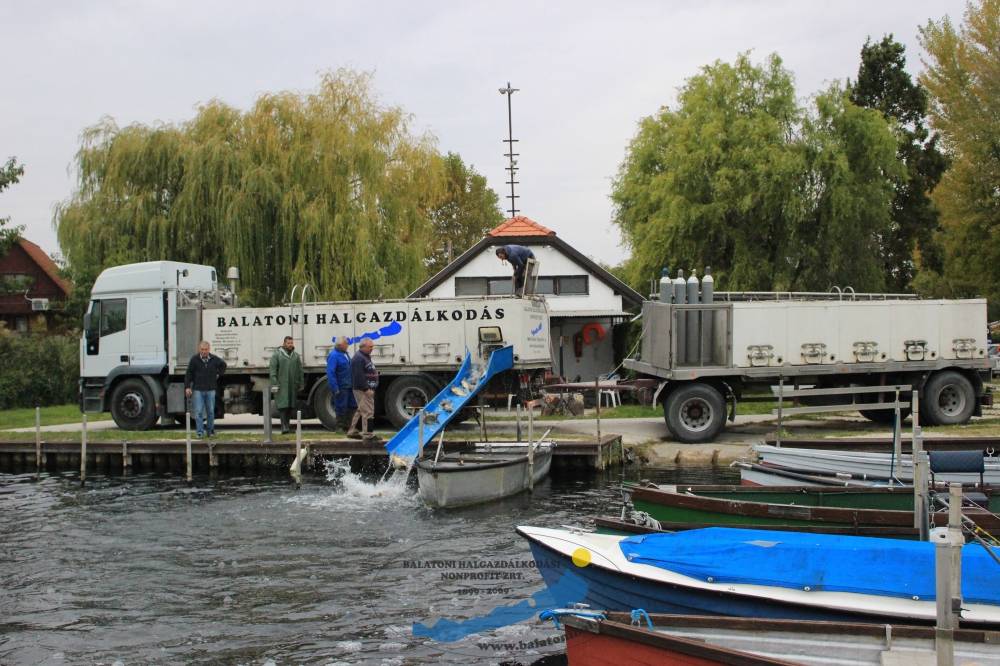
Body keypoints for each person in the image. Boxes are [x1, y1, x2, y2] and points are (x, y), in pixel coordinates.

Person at [184, 340, 227, 438]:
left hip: (211, 389)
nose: (204, 351)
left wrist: (218, 374)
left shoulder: (214, 359)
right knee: (198, 412)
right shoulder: (194, 360)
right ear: (199, 349)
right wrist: (187, 387)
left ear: (209, 349)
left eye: (206, 349)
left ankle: (210, 431)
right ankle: (200, 432)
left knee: (211, 412)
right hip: (198, 390)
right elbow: (188, 374)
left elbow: (223, 365)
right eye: (202, 349)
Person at [269, 335, 305, 434]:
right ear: (284, 343)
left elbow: (300, 371)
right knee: (282, 406)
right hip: (281, 385)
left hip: (292, 385)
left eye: (291, 343)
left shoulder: (296, 356)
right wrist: (275, 383)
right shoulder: (277, 355)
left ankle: (287, 426)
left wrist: (301, 383)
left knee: (290, 405)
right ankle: (283, 427)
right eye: (288, 343)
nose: (290, 345)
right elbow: (272, 370)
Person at [347, 338, 379, 441]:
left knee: (361, 410)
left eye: (372, 346)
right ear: (363, 347)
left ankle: (352, 431)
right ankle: (368, 434)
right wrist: (366, 389)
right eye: (370, 347)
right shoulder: (358, 358)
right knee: (368, 411)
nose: (372, 349)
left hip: (364, 389)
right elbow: (358, 376)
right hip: (363, 389)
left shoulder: (364, 356)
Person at [325, 337, 357, 431]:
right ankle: (339, 426)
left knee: (352, 405)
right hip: (341, 386)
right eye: (346, 344)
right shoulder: (334, 356)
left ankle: (349, 426)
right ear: (340, 345)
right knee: (341, 406)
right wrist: (335, 387)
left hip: (349, 385)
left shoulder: (345, 354)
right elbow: (331, 372)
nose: (348, 345)